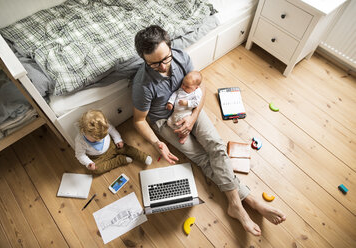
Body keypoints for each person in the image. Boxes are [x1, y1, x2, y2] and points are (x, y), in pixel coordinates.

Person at [132, 25, 286, 236]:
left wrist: (193, 118)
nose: (162, 66)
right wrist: (157, 143)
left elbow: (201, 87)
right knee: (202, 158)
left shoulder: (180, 57)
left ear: (170, 48)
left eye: (165, 58)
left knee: (216, 146)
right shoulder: (142, 84)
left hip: (188, 107)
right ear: (144, 59)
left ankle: (237, 204)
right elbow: (140, 120)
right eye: (154, 63)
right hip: (166, 120)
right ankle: (246, 200)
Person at [75, 109, 152, 174]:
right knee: (97, 169)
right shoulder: (80, 141)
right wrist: (89, 163)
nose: (100, 140)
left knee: (126, 148)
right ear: (84, 131)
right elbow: (80, 155)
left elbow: (112, 130)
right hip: (98, 157)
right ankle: (120, 160)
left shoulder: (103, 125)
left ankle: (143, 157)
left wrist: (118, 140)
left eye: (102, 137)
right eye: (96, 140)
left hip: (112, 146)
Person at [166, 71, 203, 144]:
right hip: (175, 112)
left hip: (185, 114)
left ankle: (185, 135)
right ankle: (179, 130)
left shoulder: (197, 93)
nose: (183, 87)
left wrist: (186, 103)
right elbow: (175, 94)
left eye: (187, 86)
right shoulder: (181, 89)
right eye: (183, 84)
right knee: (169, 122)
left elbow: (196, 103)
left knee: (183, 126)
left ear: (196, 88)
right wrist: (170, 102)